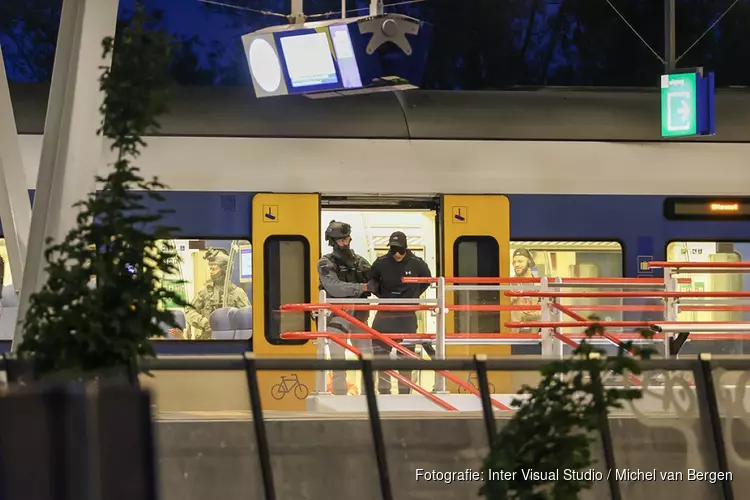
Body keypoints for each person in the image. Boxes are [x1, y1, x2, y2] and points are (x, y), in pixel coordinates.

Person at [369, 231, 432, 395]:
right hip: (385, 314)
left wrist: (412, 295)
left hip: (407, 315)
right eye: (393, 249)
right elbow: (371, 281)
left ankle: (405, 393)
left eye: (399, 250)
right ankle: (384, 393)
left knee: (406, 356)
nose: (396, 253)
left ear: (405, 248)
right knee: (381, 355)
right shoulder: (381, 262)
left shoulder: (417, 263)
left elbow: (427, 280)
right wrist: (383, 296)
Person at [318, 220, 375, 395]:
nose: (345, 243)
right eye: (341, 240)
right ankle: (340, 398)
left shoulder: (360, 262)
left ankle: (369, 398)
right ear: (333, 242)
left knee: (368, 360)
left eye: (347, 239)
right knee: (339, 364)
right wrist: (362, 288)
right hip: (337, 318)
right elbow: (334, 287)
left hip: (359, 317)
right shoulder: (325, 262)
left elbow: (375, 279)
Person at [182, 247, 251, 339]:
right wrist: (205, 323)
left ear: (224, 270)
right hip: (207, 340)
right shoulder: (204, 291)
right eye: (210, 269)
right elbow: (189, 311)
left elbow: (248, 319)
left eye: (214, 269)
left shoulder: (238, 293)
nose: (210, 272)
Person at [509, 248, 541, 333]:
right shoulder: (509, 284)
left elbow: (547, 311)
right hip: (515, 335)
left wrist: (533, 315)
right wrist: (507, 301)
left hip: (534, 336)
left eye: (520, 261)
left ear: (529, 262)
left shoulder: (540, 285)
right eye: (514, 262)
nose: (516, 264)